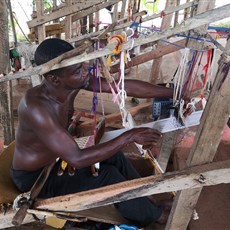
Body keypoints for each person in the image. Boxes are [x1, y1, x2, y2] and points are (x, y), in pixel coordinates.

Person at [11, 38, 173, 228]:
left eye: (82, 66)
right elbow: (77, 159)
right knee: (108, 176)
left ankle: (150, 201)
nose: (85, 72)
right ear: (54, 78)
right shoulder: (37, 108)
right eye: (77, 70)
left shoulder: (71, 83)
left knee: (116, 158)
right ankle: (154, 216)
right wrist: (129, 136)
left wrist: (171, 93)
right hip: (37, 181)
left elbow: (120, 87)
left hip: (52, 163)